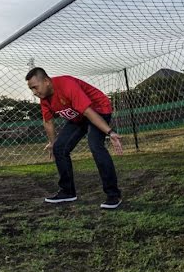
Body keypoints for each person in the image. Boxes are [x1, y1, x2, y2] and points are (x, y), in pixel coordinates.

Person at [25, 67, 123, 209]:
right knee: (59, 148)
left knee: (95, 145)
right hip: (79, 115)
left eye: (35, 87)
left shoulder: (66, 85)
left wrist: (110, 132)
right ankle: (67, 192)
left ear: (46, 81)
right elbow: (48, 121)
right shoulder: (45, 97)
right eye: (31, 89)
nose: (34, 92)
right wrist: (52, 143)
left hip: (98, 109)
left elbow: (88, 112)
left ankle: (114, 195)